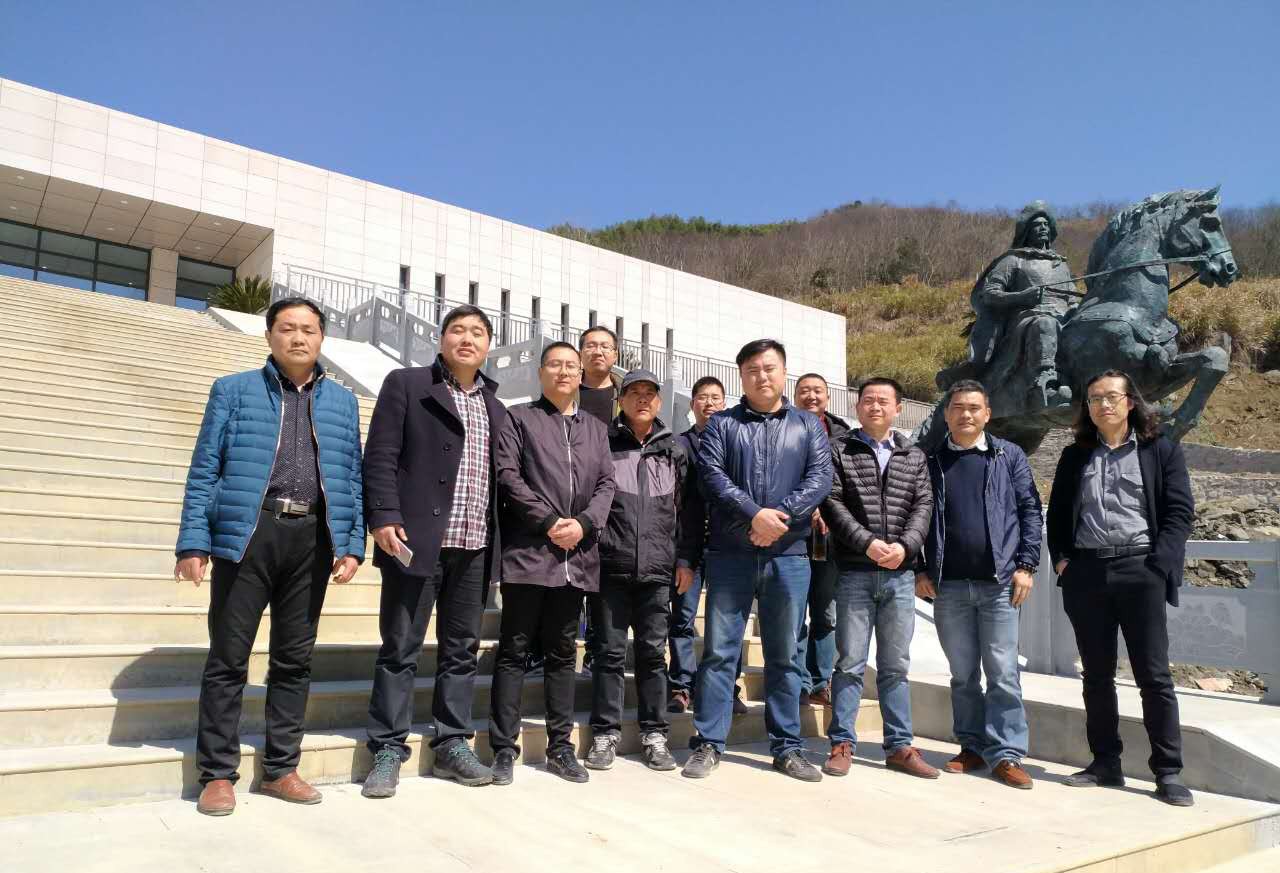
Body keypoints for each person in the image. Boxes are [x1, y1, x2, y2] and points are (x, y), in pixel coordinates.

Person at [174, 298, 365, 816]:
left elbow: (352, 477)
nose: (298, 338)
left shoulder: (343, 403)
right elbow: (205, 467)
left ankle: (281, 768)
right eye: (287, 329)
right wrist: (194, 541)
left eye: (308, 329)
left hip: (312, 539)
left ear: (321, 338)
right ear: (269, 336)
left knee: (294, 660)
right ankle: (217, 773)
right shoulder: (232, 390)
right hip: (248, 533)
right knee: (228, 657)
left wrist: (352, 544)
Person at [360, 305, 509, 798]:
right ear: (442, 339)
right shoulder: (406, 384)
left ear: (488, 345)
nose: (467, 338)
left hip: (475, 545)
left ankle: (451, 743)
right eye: (457, 330)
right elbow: (380, 454)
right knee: (400, 648)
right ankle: (387, 747)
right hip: (415, 541)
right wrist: (383, 515)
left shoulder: (496, 406)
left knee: (461, 651)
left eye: (477, 332)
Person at [682, 339, 832, 783]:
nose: (761, 376)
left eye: (769, 368)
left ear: (783, 372)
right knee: (719, 652)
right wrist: (753, 514)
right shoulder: (723, 424)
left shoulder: (807, 424)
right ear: (741, 377)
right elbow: (712, 477)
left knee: (785, 654)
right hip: (731, 553)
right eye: (752, 370)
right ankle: (709, 742)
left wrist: (777, 519)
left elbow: (820, 479)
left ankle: (787, 746)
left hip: (789, 555)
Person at [1047, 370, 1196, 807]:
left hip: (1140, 570)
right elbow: (1058, 514)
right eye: (1095, 398)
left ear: (1130, 402)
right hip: (1087, 573)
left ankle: (1167, 772)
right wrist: (1064, 561)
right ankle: (1105, 763)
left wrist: (1159, 566)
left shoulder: (1160, 449)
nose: (1103, 405)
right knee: (1096, 675)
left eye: (1112, 397)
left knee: (1154, 676)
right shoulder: (1076, 455)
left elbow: (1179, 512)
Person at [488, 342, 616, 785]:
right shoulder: (519, 418)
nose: (563, 372)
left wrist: (583, 524)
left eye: (570, 366)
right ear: (541, 372)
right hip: (529, 554)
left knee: (563, 654)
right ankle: (503, 749)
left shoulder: (595, 429)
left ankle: (560, 747)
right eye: (555, 365)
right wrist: (547, 521)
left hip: (576, 559)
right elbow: (508, 476)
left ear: (581, 375)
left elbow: (606, 484)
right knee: (514, 651)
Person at [916, 379, 1041, 790]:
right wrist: (920, 569)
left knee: (1003, 671)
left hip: (999, 584)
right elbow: (916, 518)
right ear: (946, 413)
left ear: (987, 414)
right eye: (957, 407)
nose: (965, 414)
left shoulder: (1008, 455)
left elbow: (1029, 510)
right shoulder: (931, 460)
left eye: (973, 407)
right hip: (948, 586)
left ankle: (1006, 753)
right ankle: (971, 745)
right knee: (962, 673)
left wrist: (1026, 565)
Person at [585, 369, 702, 772]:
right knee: (609, 654)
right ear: (621, 400)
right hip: (611, 567)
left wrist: (685, 560)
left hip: (657, 570)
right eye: (633, 392)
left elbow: (688, 513)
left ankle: (655, 734)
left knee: (653, 654)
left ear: (659, 401)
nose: (642, 399)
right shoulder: (604, 442)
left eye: (649, 393)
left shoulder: (674, 449)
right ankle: (605, 734)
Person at [820, 377, 936, 780]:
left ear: (898, 408)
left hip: (899, 576)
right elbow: (832, 502)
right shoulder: (839, 449)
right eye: (867, 400)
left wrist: (905, 547)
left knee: (895, 665)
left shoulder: (913, 455)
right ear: (857, 407)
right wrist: (867, 543)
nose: (875, 406)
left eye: (883, 401)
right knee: (850, 663)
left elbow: (923, 505)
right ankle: (842, 742)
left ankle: (900, 746)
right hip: (855, 572)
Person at [946, 201, 1076, 409]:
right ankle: (1044, 384)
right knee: (1045, 324)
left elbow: (1072, 299)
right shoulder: (1013, 260)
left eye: (1046, 224)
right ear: (1026, 231)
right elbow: (989, 294)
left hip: (1064, 317)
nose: (1043, 228)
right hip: (1028, 319)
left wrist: (1077, 308)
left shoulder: (1061, 265)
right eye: (1037, 225)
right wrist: (1022, 297)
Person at [668, 376, 747, 716]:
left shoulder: (736, 443)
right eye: (702, 397)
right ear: (692, 404)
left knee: (728, 623)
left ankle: (727, 687)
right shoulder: (678, 445)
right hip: (688, 545)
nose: (709, 403)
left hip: (728, 545)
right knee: (682, 618)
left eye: (716, 397)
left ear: (725, 403)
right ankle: (681, 686)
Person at [793, 373, 850, 707]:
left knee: (825, 613)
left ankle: (819, 680)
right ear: (795, 396)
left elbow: (847, 484)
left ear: (827, 397)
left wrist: (827, 509)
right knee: (794, 613)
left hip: (830, 539)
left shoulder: (843, 435)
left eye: (817, 391)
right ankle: (797, 681)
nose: (811, 396)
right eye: (804, 391)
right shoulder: (783, 428)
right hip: (793, 537)